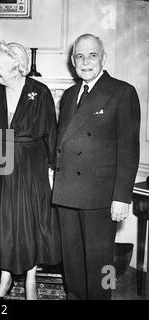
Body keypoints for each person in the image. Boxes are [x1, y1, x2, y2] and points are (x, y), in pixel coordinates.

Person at [52, 34, 141, 300]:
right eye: (79, 56)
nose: (85, 61)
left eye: (92, 55)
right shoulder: (69, 95)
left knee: (103, 261)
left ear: (103, 58)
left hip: (101, 194)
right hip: (68, 190)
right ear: (72, 61)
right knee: (72, 258)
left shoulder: (122, 92)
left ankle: (105, 297)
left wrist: (121, 197)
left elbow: (129, 149)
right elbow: (62, 142)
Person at [0, 42, 61, 300]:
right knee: (4, 223)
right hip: (2, 167)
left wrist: (51, 171)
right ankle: (5, 279)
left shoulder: (40, 91)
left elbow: (51, 134)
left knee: (30, 224)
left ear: (16, 66)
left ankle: (31, 280)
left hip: (31, 169)